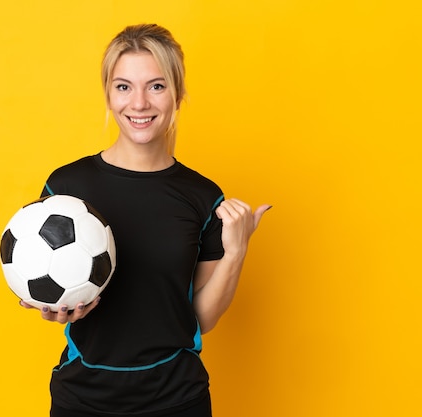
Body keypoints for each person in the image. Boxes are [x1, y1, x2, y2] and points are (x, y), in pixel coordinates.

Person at [20, 23, 271, 417]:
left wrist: (236, 251)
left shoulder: (204, 198)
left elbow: (200, 319)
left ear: (178, 94)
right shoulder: (66, 186)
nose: (139, 103)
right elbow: (46, 277)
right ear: (108, 94)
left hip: (177, 398)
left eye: (156, 86)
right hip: (84, 398)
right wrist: (52, 306)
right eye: (123, 87)